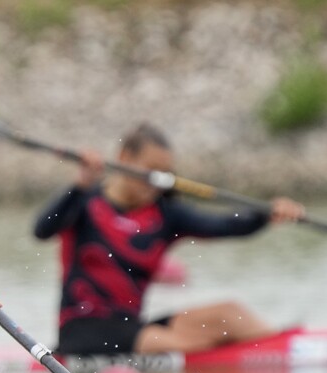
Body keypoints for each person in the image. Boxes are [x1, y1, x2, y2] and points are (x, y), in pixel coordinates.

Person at [34, 123, 306, 356]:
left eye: (165, 174)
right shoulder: (85, 202)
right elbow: (42, 230)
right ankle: (237, 361)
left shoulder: (165, 215)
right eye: (151, 170)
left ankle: (286, 352)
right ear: (125, 158)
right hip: (83, 331)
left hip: (133, 326)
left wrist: (266, 215)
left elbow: (224, 225)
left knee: (229, 315)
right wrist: (79, 185)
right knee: (182, 342)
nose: (157, 183)